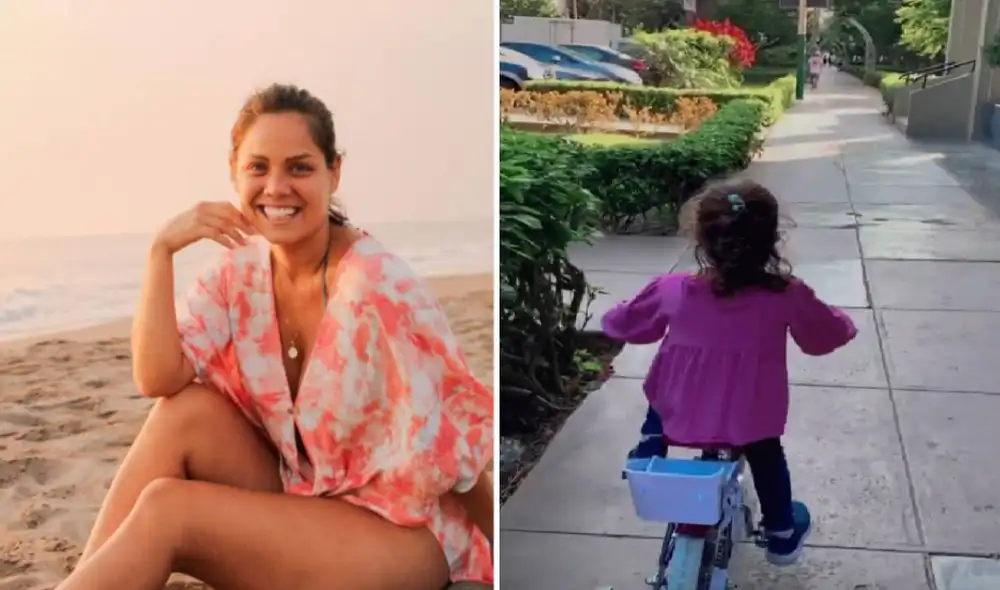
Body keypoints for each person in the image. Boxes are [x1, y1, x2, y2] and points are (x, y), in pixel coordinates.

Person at [59, 84, 494, 590]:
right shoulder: (238, 271)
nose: (276, 187)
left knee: (167, 510)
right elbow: (157, 377)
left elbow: (462, 452)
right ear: (234, 171)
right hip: (307, 496)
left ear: (334, 172)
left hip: (401, 532)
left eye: (300, 168)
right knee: (183, 412)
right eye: (259, 167)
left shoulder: (377, 287)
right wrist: (160, 251)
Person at [602, 178, 857, 567]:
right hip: (748, 418)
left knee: (662, 394)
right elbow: (825, 337)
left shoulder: (672, 289)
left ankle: (650, 446)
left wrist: (619, 310)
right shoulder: (785, 294)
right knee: (767, 454)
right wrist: (838, 318)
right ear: (771, 239)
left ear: (702, 239)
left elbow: (626, 326)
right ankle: (781, 534)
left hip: (680, 414)